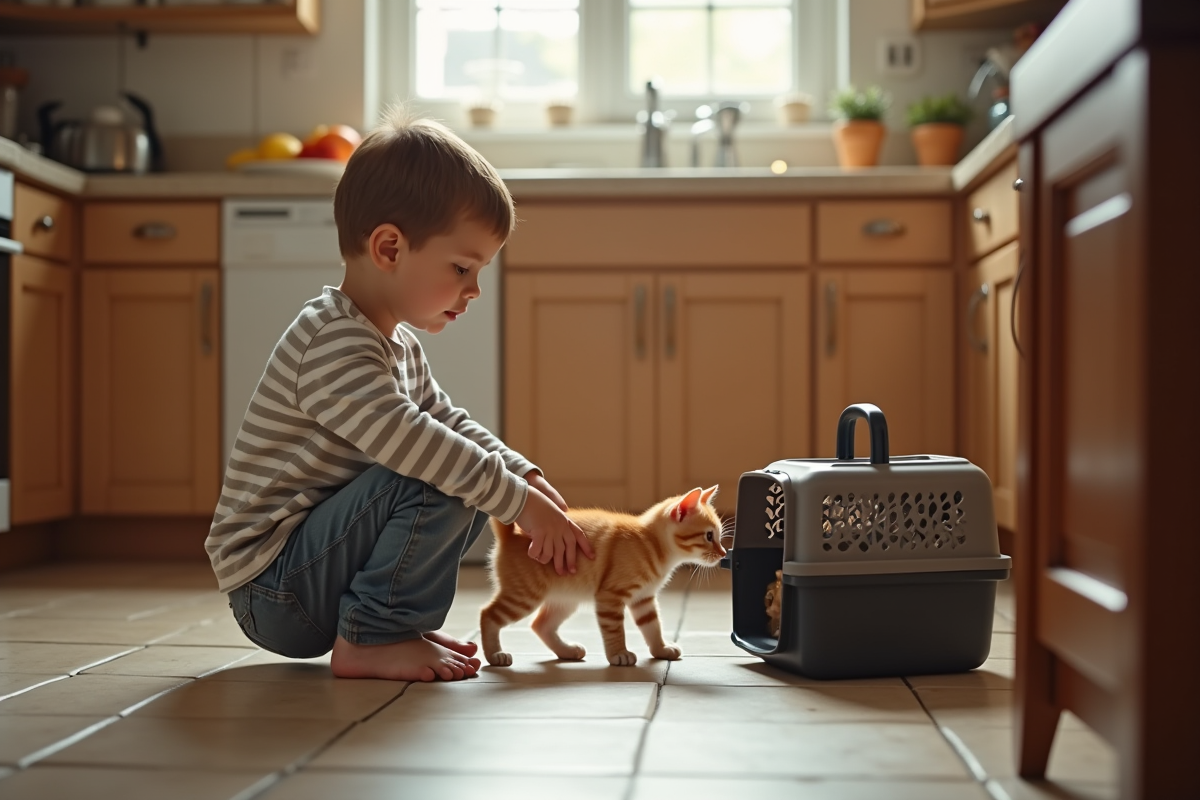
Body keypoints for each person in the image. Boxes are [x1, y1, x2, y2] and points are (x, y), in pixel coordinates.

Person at [205, 108, 594, 682]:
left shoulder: (394, 342)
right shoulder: (332, 341)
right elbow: (420, 442)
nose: (474, 289)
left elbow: (447, 420)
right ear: (389, 249)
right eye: (462, 267)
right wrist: (518, 503)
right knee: (438, 470)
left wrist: (525, 476)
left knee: (463, 468)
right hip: (272, 589)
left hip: (303, 573)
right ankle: (374, 635)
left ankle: (384, 621)